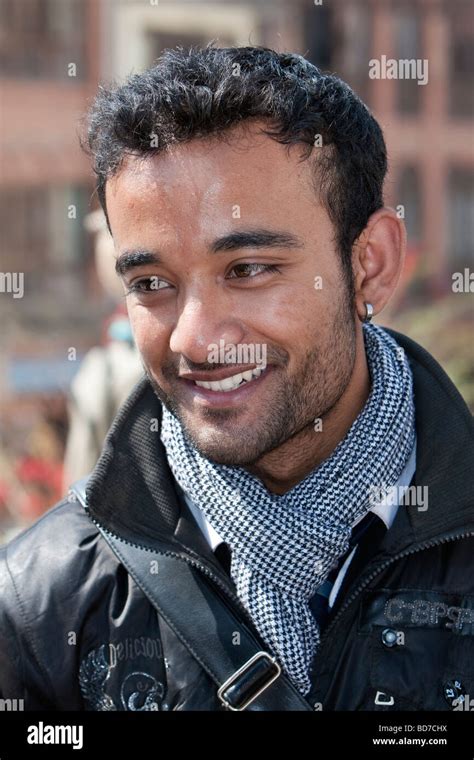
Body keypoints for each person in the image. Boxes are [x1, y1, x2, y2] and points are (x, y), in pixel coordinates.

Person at [0, 45, 472, 712]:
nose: (194, 338)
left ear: (370, 265)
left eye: (248, 269)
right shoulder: (38, 606)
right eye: (152, 283)